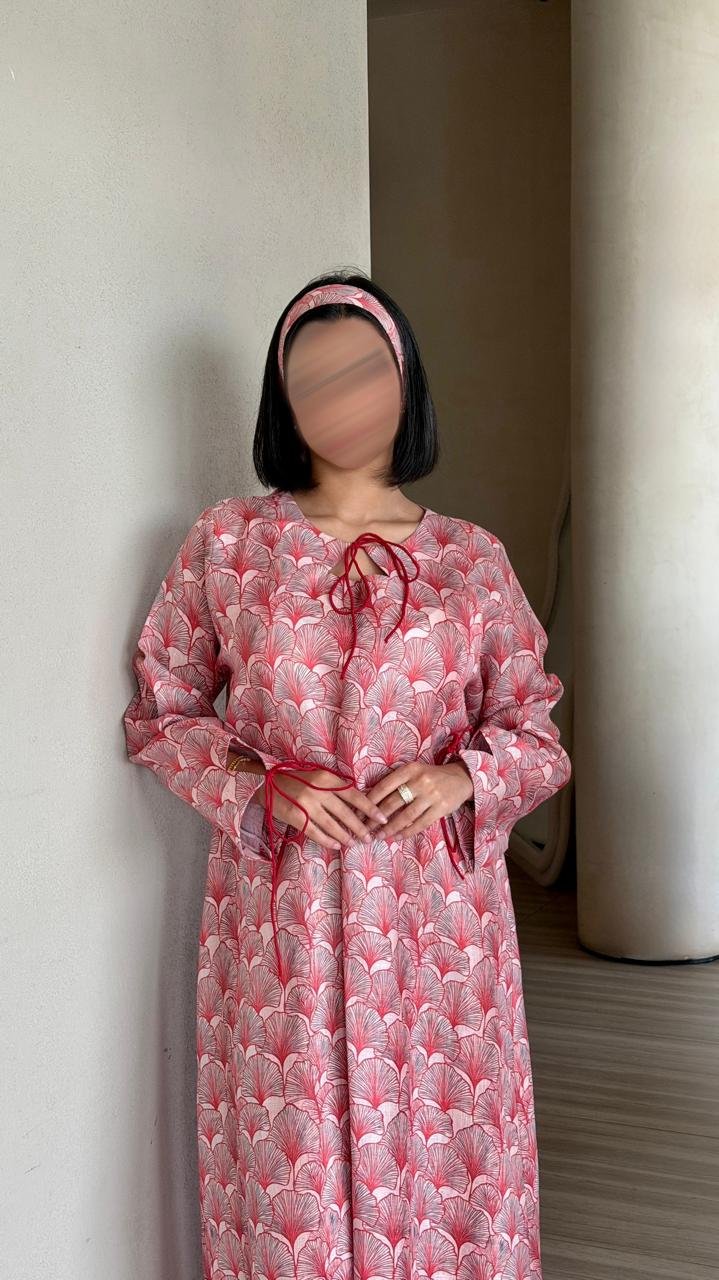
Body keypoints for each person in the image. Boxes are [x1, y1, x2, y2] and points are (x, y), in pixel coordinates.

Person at [123, 269, 572, 1280]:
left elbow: (534, 729)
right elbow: (161, 709)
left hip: (437, 933)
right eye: (312, 379)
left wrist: (463, 779)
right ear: (281, 401)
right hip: (279, 926)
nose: (342, 400)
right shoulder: (230, 545)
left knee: (445, 1166)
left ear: (407, 385)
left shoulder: (471, 560)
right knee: (292, 1185)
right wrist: (257, 786)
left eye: (364, 372)